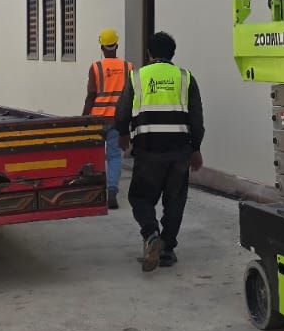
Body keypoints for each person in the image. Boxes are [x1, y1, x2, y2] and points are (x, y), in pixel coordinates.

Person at [114, 31, 204, 272]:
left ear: (149, 53)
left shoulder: (137, 77)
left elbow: (122, 111)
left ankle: (152, 234)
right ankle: (167, 249)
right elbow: (196, 117)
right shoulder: (186, 78)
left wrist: (122, 134)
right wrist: (196, 148)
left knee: (140, 197)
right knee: (175, 201)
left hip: (148, 150)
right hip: (179, 152)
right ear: (172, 54)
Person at [83, 28, 132, 210]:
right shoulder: (128, 67)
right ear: (116, 45)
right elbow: (130, 98)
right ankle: (111, 190)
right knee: (114, 156)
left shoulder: (96, 67)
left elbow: (91, 95)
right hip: (117, 120)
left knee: (94, 155)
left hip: (97, 119)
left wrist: (85, 118)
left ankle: (94, 191)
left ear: (102, 47)